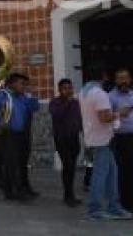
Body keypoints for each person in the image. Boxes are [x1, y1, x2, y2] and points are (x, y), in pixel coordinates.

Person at [79, 66, 133, 221]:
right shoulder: (99, 93)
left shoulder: (84, 92)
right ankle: (95, 210)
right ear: (103, 76)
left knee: (110, 175)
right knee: (100, 175)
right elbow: (104, 118)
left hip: (95, 138)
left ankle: (113, 207)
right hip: (103, 140)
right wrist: (120, 114)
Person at [0, 73, 39, 201]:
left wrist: (31, 95)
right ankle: (13, 191)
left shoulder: (23, 97)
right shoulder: (2, 95)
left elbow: (34, 107)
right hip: (8, 134)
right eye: (22, 84)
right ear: (12, 84)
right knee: (11, 163)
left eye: (25, 84)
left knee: (21, 162)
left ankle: (19, 188)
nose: (24, 86)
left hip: (22, 133)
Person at [109, 69, 133, 218]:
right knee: (124, 174)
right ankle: (124, 204)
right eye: (120, 78)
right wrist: (118, 113)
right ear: (115, 80)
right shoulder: (110, 97)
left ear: (130, 79)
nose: (123, 81)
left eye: (125, 78)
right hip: (121, 140)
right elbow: (106, 118)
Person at [50, 78, 82, 207]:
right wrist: (67, 103)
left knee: (72, 167)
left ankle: (70, 194)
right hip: (61, 138)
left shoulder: (76, 103)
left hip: (74, 137)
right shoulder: (55, 102)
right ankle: (68, 195)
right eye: (65, 88)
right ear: (60, 90)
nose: (68, 91)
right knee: (67, 165)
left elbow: (79, 118)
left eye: (70, 88)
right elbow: (57, 115)